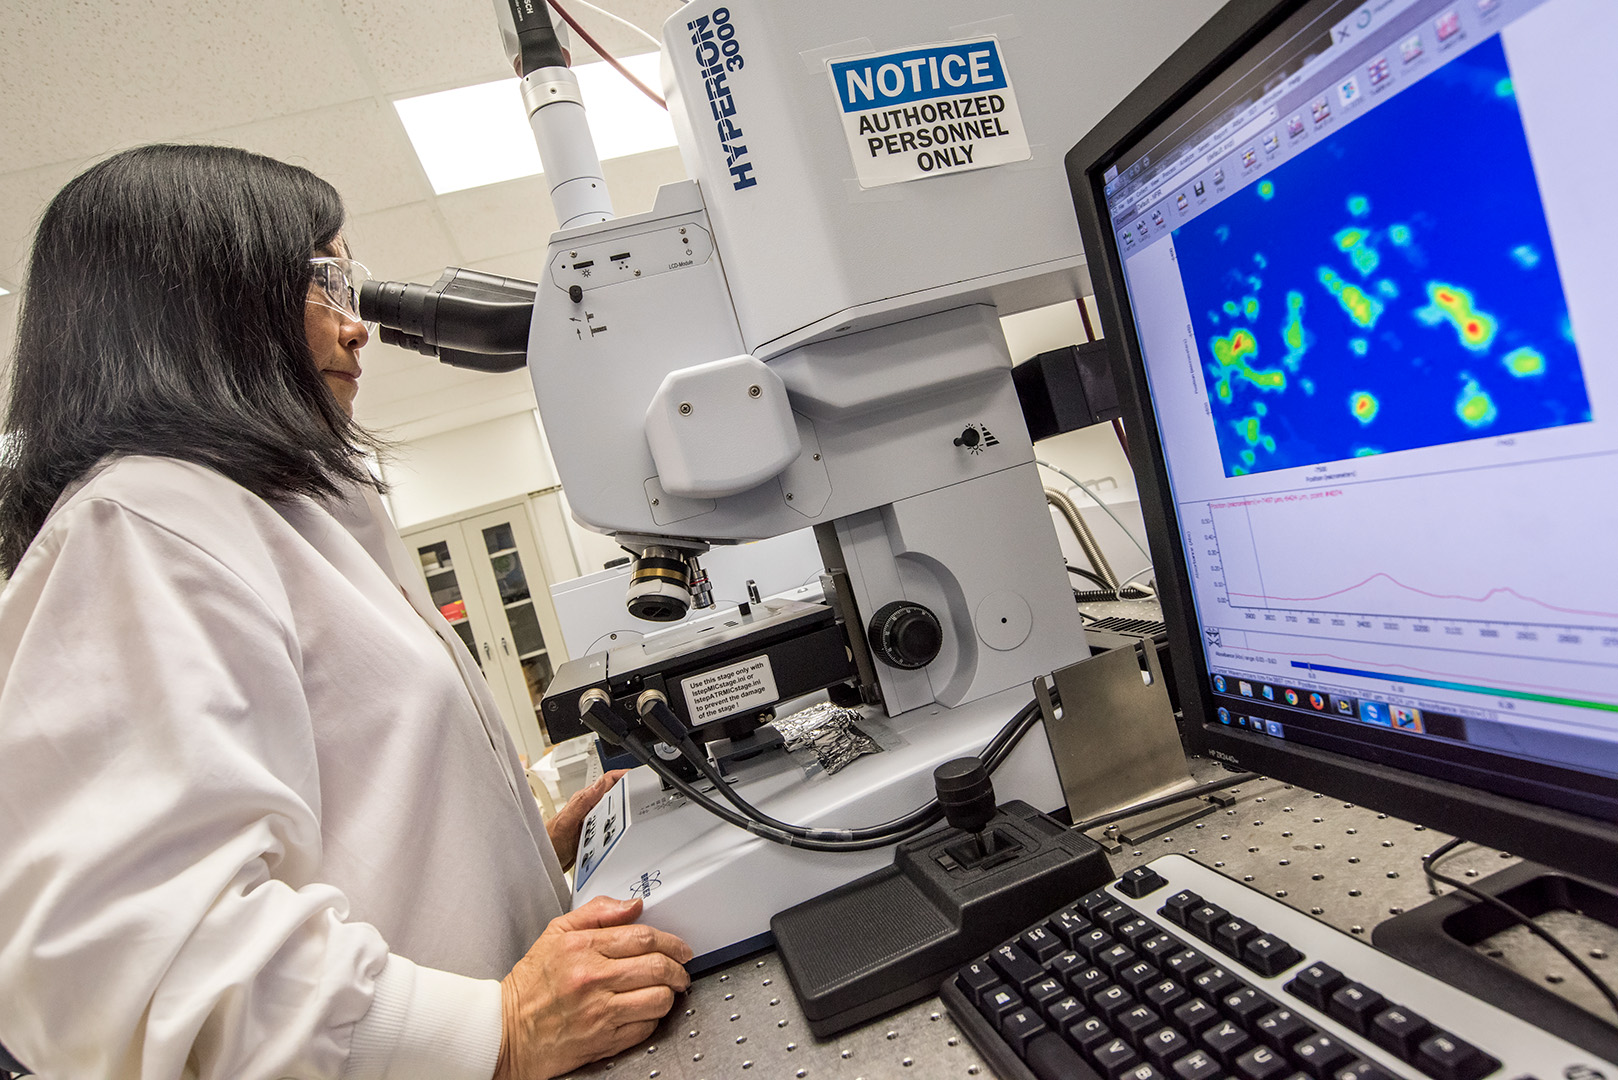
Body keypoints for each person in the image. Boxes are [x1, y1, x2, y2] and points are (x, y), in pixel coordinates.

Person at [0, 144, 691, 1080]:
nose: (355, 324)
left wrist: (520, 849)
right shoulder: (140, 524)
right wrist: (497, 1030)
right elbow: (148, 962)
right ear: (205, 307)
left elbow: (347, 811)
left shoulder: (293, 510)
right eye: (323, 282)